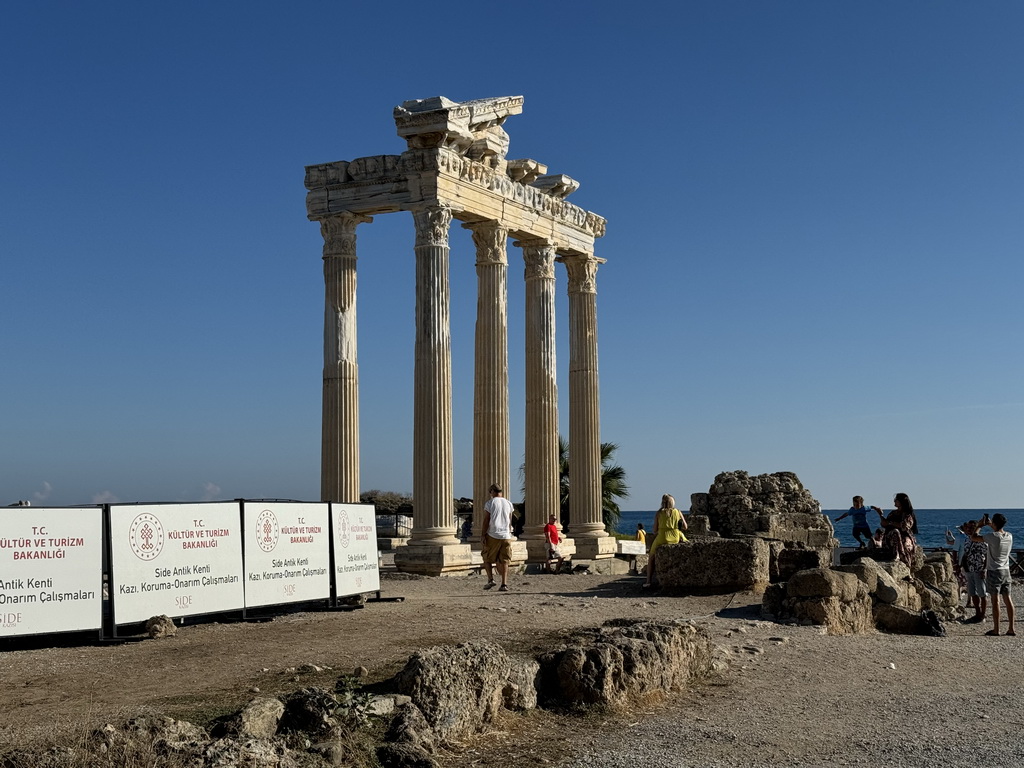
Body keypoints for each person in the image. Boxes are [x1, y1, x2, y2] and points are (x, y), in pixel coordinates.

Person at [970, 513, 1015, 636]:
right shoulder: (1009, 536)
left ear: (994, 523)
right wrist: (991, 525)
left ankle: (996, 629)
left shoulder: (992, 536)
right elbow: (999, 531)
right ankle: (1011, 628)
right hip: (1006, 570)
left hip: (994, 571)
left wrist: (979, 525)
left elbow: (974, 537)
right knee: (1008, 599)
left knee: (996, 601)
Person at [644, 494, 688, 589]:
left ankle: (648, 581)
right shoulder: (678, 512)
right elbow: (685, 527)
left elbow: (654, 530)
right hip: (675, 537)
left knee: (651, 557)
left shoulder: (659, 513)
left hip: (662, 537)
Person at [481, 483, 515, 592]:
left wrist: (483, 534)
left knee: (486, 557)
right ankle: (504, 584)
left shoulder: (490, 503)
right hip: (506, 534)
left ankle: (490, 579)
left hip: (493, 533)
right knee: (505, 560)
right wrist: (509, 532)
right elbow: (510, 520)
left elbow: (487, 519)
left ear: (492, 492)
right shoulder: (509, 503)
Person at [876, 492, 918, 568]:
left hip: (904, 537)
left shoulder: (908, 514)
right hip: (891, 537)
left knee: (900, 537)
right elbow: (884, 524)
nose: (894, 501)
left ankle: (905, 563)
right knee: (895, 532)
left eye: (896, 500)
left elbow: (904, 526)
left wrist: (891, 523)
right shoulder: (893, 513)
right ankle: (897, 555)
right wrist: (880, 515)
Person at [958, 520, 988, 623]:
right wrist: (961, 566)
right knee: (972, 592)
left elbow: (987, 555)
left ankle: (983, 615)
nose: (969, 529)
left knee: (982, 593)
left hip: (979, 569)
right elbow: (965, 554)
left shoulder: (982, 540)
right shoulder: (967, 540)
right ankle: (977, 613)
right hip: (969, 569)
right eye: (968, 528)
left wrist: (984, 569)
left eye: (972, 528)